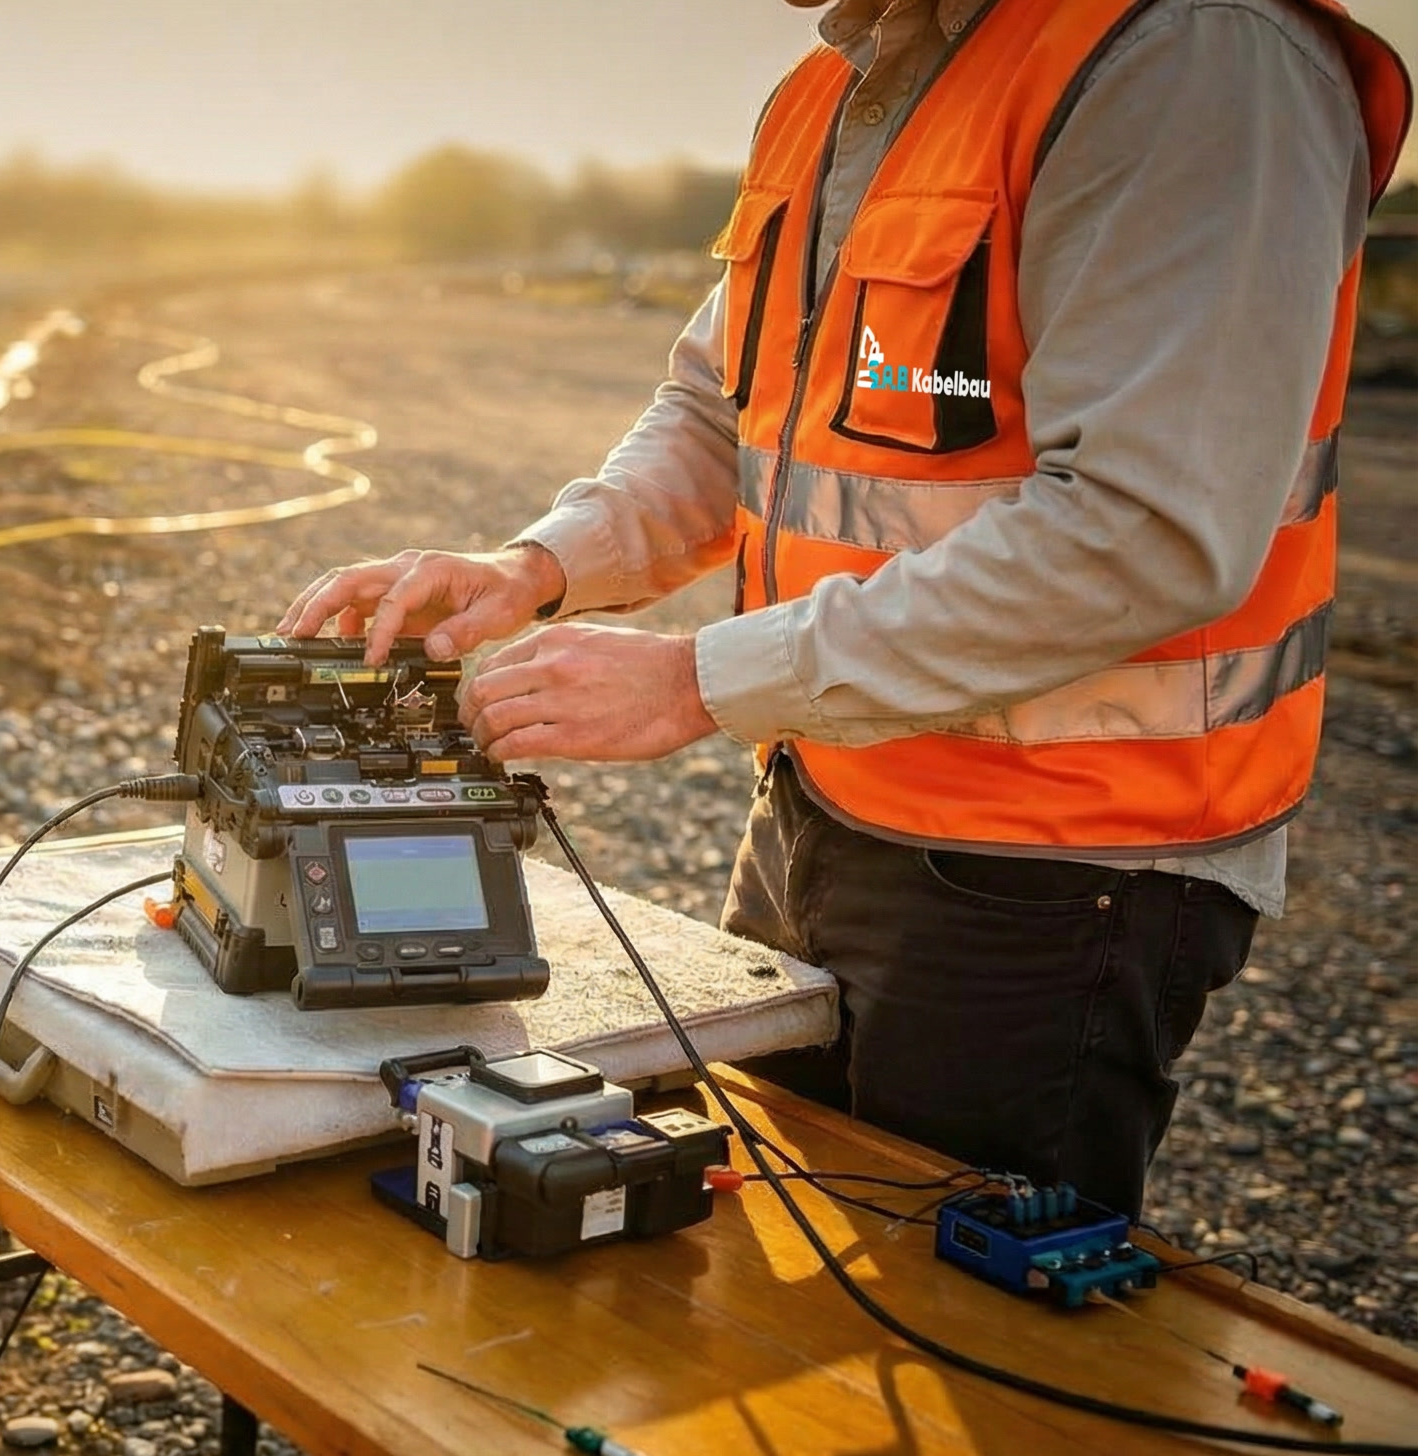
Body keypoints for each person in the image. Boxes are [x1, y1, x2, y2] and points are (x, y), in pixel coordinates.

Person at [279, 0, 1409, 1216]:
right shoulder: (834, 87)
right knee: (756, 1235)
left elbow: (1144, 535)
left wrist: (692, 680)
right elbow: (726, 411)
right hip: (821, 794)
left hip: (1060, 873)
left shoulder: (1192, 58)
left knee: (960, 1328)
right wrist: (538, 566)